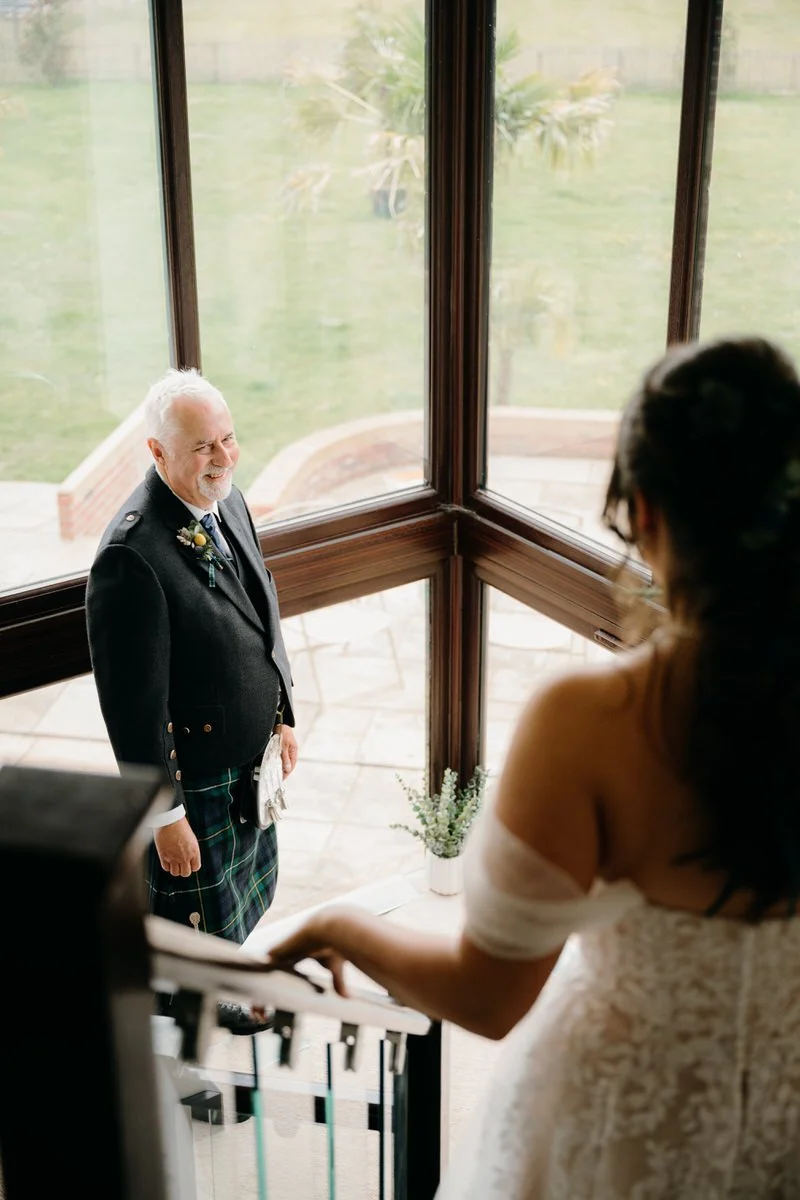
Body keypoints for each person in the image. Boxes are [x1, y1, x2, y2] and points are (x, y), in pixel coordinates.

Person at [267, 336, 800, 1197]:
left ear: (649, 513)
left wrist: (339, 924)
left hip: (616, 1140)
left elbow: (489, 996)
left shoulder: (594, 721)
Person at [87, 367, 298, 952]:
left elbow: (262, 607)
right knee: (199, 925)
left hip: (249, 763)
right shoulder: (132, 556)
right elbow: (133, 712)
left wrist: (283, 713)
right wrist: (166, 819)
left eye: (227, 437)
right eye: (203, 446)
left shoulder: (224, 500)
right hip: (198, 778)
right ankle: (198, 1012)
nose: (223, 456)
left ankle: (228, 985)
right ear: (157, 450)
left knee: (245, 905)